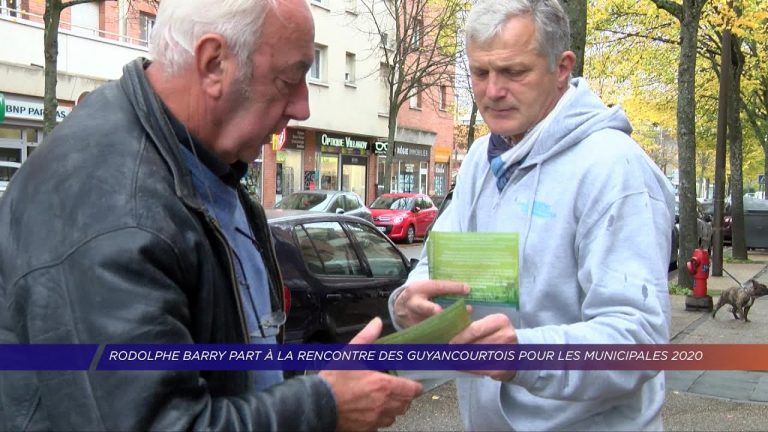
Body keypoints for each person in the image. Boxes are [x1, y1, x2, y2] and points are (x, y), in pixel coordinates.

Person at [0, 0, 421, 430]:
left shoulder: (201, 167)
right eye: (290, 78)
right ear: (214, 62)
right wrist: (323, 406)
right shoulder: (112, 206)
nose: (302, 106)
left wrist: (333, 383)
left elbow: (240, 368)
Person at [389, 0, 674, 430]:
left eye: (514, 72)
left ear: (562, 68)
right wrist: (408, 302)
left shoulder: (613, 168)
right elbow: (439, 268)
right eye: (480, 73)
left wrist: (521, 355)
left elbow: (638, 340)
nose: (493, 90)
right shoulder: (484, 160)